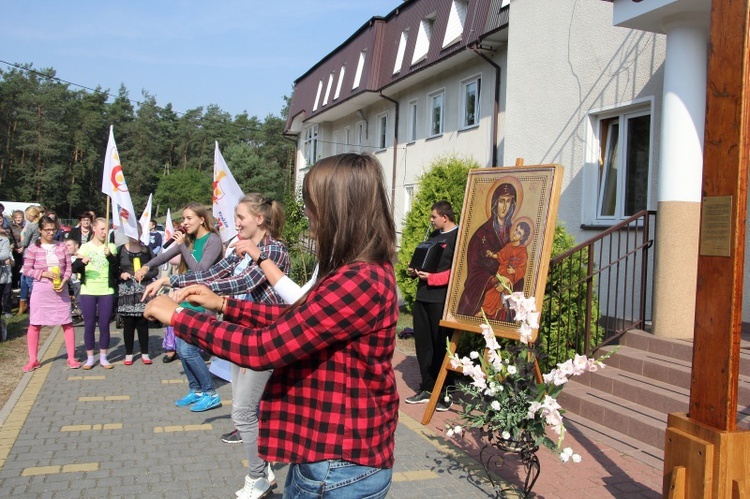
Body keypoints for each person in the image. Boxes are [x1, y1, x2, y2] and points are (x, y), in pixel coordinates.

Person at [145, 153, 398, 498]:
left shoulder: (359, 279)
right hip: (326, 454)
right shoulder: (352, 271)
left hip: (339, 461)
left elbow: (265, 347)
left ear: (340, 210)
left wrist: (179, 317)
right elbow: (294, 319)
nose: (308, 217)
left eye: (313, 206)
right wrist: (222, 304)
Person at [141, 193, 289, 498]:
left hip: (266, 338)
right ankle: (264, 468)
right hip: (243, 332)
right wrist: (173, 282)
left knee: (244, 413)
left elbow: (242, 283)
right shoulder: (240, 246)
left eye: (241, 217)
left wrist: (198, 291)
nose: (235, 223)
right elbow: (216, 272)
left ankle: (257, 477)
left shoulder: (274, 249)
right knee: (248, 410)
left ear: (259, 219)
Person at [137, 202, 223, 407]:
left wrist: (183, 245)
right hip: (184, 299)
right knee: (181, 347)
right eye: (183, 219)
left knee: (188, 351)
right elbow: (164, 256)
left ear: (202, 219)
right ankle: (196, 389)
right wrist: (146, 266)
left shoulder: (213, 240)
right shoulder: (189, 240)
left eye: (189, 218)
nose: (184, 223)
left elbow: (199, 271)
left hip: (202, 301)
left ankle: (210, 394)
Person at [405, 201, 459, 410]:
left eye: (433, 217)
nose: (431, 220)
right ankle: (427, 388)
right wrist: (415, 270)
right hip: (423, 297)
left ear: (445, 217)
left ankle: (445, 391)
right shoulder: (433, 237)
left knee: (441, 346)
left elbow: (457, 271)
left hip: (440, 300)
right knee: (424, 346)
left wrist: (433, 278)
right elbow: (426, 262)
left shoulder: (457, 237)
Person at [22, 216, 80, 371]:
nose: (50, 233)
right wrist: (43, 273)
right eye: (47, 230)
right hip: (41, 290)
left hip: (60, 290)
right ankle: (33, 359)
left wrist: (64, 280)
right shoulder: (33, 249)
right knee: (35, 323)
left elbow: (68, 267)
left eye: (52, 229)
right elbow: (27, 269)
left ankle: (71, 357)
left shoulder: (61, 247)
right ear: (40, 230)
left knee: (67, 323)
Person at [457, 182, 520, 317]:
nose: (505, 207)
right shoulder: (481, 235)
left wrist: (510, 277)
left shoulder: (516, 232)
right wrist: (495, 280)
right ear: (494, 204)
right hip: (486, 291)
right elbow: (474, 271)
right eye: (502, 201)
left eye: (509, 202)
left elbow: (520, 263)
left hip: (509, 292)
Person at [74, 217, 118, 370]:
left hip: (106, 290)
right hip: (88, 290)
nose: (105, 232)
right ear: (94, 229)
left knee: (104, 324)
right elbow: (75, 268)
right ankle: (90, 357)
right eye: (102, 229)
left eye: (107, 229)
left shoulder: (111, 246)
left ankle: (104, 357)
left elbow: (116, 268)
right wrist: (82, 262)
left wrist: (110, 257)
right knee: (89, 325)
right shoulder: (85, 247)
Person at [117, 231, 159, 365]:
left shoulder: (146, 250)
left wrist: (144, 275)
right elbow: (114, 268)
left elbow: (155, 269)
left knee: (142, 322)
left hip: (143, 289)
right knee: (128, 323)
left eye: (137, 233)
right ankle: (128, 354)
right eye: (132, 233)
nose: (134, 236)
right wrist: (121, 274)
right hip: (127, 289)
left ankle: (145, 353)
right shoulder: (121, 250)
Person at [479, 220, 531, 320]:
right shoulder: (509, 246)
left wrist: (514, 271)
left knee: (492, 294)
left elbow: (522, 268)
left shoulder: (523, 252)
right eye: (516, 230)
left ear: (522, 238)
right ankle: (488, 312)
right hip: (501, 274)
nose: (515, 233)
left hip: (510, 278)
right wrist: (492, 255)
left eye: (519, 233)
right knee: (492, 292)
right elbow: (501, 255)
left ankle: (485, 311)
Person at [18, 206, 42, 315]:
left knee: (29, 279)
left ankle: (34, 303)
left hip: (29, 253)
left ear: (31, 215)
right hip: (37, 252)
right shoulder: (39, 225)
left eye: (27, 214)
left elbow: (25, 242)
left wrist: (20, 242)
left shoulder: (31, 226)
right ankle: (25, 304)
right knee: (25, 278)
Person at [65, 239, 82, 320]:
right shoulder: (67, 257)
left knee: (78, 285)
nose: (67, 247)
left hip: (81, 279)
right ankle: (76, 308)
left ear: (76, 246)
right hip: (70, 280)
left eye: (69, 245)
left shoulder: (82, 255)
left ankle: (80, 308)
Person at [9, 210, 25, 290]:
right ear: (14, 218)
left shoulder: (25, 227)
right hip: (14, 249)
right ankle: (14, 285)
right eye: (17, 217)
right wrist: (15, 248)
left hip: (23, 249)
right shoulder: (10, 226)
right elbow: (11, 239)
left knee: (22, 268)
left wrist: (23, 247)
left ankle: (21, 285)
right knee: (15, 268)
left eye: (20, 217)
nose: (19, 219)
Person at [0, 228, 13, 317]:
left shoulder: (4, 240)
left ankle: (6, 310)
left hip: (2, 273)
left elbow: (5, 255)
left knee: (6, 292)